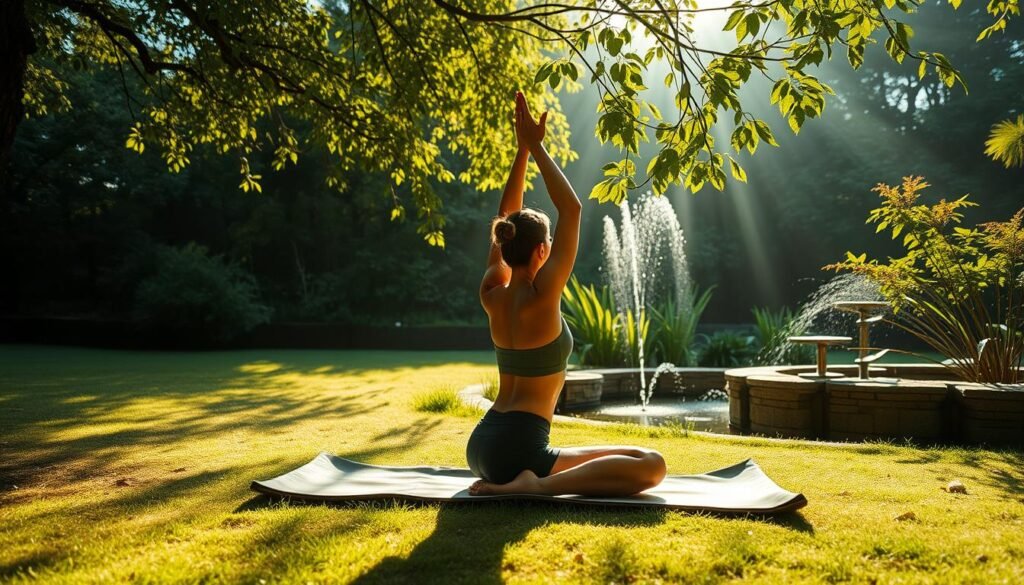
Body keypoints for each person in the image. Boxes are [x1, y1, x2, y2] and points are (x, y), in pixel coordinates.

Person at [465, 91, 667, 497]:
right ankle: (535, 487)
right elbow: (571, 209)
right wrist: (535, 145)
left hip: (483, 445)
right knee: (653, 466)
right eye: (550, 242)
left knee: (634, 453)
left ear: (504, 245)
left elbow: (507, 215)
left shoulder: (492, 291)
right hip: (521, 448)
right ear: (543, 250)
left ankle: (530, 480)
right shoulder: (544, 296)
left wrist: (522, 151)